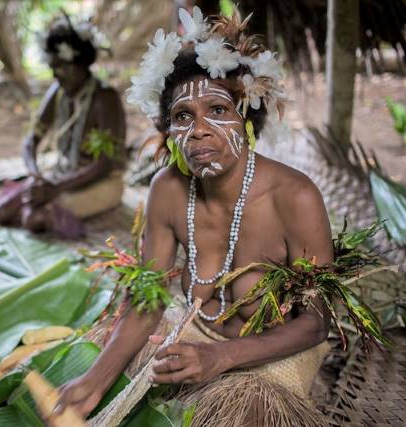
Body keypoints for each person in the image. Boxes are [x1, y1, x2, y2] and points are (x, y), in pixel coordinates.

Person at [56, 9, 332, 426]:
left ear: (247, 122)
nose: (198, 130)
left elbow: (315, 323)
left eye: (218, 110)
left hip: (269, 359)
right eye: (183, 117)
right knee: (116, 387)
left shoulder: (294, 197)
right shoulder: (167, 191)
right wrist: (93, 383)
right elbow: (148, 300)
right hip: (197, 337)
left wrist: (221, 357)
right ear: (169, 132)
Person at [0, 16, 126, 238]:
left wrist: (56, 188)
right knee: (0, 210)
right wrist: (35, 175)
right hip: (62, 175)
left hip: (101, 182)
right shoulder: (58, 91)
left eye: (62, 67)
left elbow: (105, 164)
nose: (56, 74)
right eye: (53, 67)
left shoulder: (104, 98)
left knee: (33, 218)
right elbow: (30, 140)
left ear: (80, 64)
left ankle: (41, 212)